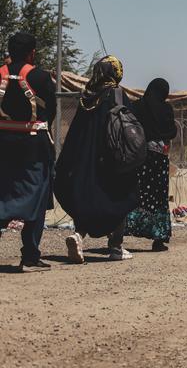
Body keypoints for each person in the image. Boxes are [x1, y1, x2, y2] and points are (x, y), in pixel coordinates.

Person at [55, 56, 139, 261]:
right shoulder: (116, 94)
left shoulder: (87, 97)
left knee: (87, 197)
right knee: (121, 196)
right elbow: (127, 124)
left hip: (86, 159)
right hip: (111, 158)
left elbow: (76, 131)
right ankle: (116, 247)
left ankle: (78, 236)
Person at [0, 32, 57, 272]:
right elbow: (51, 110)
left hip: (3, 143)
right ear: (31, 52)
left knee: (3, 193)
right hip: (33, 146)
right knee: (36, 196)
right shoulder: (41, 77)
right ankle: (30, 255)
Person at [124, 78, 177, 251]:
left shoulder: (138, 106)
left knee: (136, 192)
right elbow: (173, 131)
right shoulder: (166, 109)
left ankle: (121, 233)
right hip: (160, 158)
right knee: (159, 196)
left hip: (140, 157)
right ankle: (158, 239)